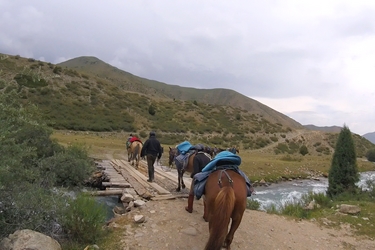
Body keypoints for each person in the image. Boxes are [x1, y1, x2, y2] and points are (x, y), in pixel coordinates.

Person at [185, 144, 211, 213]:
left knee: (191, 193)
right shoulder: (207, 157)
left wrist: (192, 175)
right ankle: (206, 214)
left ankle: (190, 208)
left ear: (196, 150)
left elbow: (196, 171)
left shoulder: (196, 157)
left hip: (199, 176)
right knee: (206, 196)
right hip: (207, 176)